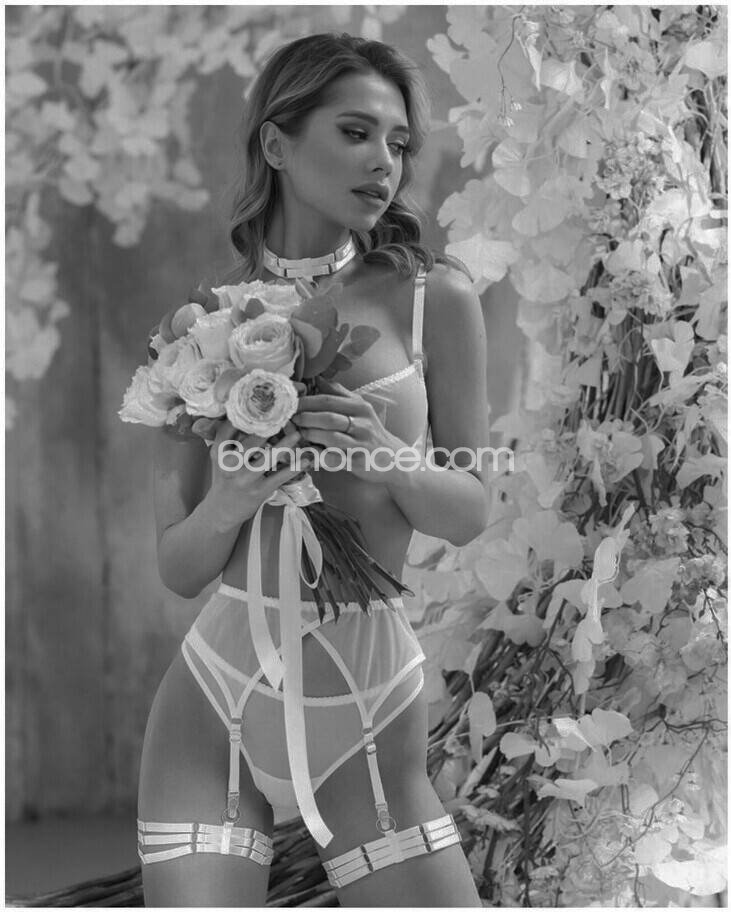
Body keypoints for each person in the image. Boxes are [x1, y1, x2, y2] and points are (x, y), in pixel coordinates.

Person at [136, 32, 489, 908]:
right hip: (214, 695)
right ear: (277, 143)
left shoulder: (432, 297)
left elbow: (469, 512)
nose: (383, 162)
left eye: (398, 143)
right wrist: (228, 503)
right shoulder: (201, 326)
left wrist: (387, 459)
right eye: (355, 133)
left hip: (365, 702)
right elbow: (178, 567)